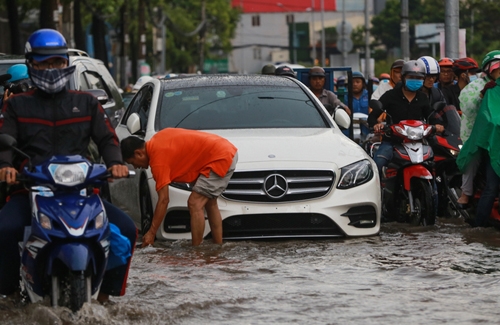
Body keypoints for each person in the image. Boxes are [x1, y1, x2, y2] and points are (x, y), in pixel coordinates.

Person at [0, 29, 137, 304]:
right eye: (44, 63)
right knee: (4, 228)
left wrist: (115, 163)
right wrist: (6, 166)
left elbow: (107, 138)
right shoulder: (17, 105)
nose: (51, 69)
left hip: (81, 191)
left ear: (66, 63)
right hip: (31, 190)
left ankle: (106, 298)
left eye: (57, 62)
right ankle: (10, 294)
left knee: (127, 229)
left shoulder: (86, 103)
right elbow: (5, 142)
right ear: (31, 65)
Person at [120, 128, 238, 246]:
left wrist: (151, 232)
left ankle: (197, 254)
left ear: (138, 153)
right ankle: (217, 246)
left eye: (132, 162)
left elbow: (164, 200)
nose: (135, 167)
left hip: (220, 157)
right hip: (225, 150)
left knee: (194, 203)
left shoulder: (158, 160)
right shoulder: (157, 139)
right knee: (210, 203)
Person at [368, 60, 445, 174]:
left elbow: (431, 115)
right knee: (376, 166)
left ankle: (434, 191)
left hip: (418, 142)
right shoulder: (390, 95)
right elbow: (373, 116)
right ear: (404, 77)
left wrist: (438, 125)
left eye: (418, 78)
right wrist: (376, 125)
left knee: (437, 165)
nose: (415, 80)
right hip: (393, 142)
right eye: (411, 77)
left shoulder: (423, 98)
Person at [456, 55, 500, 227]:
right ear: (489, 69)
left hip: (497, 139)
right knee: (474, 164)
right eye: (497, 67)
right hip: (480, 137)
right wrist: (482, 94)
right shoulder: (476, 87)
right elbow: (468, 108)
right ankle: (466, 194)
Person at [345, 71, 369, 141]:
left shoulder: (370, 95)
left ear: (363, 83)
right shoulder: (345, 96)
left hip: (367, 129)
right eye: (352, 82)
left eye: (358, 82)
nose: (355, 84)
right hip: (350, 130)